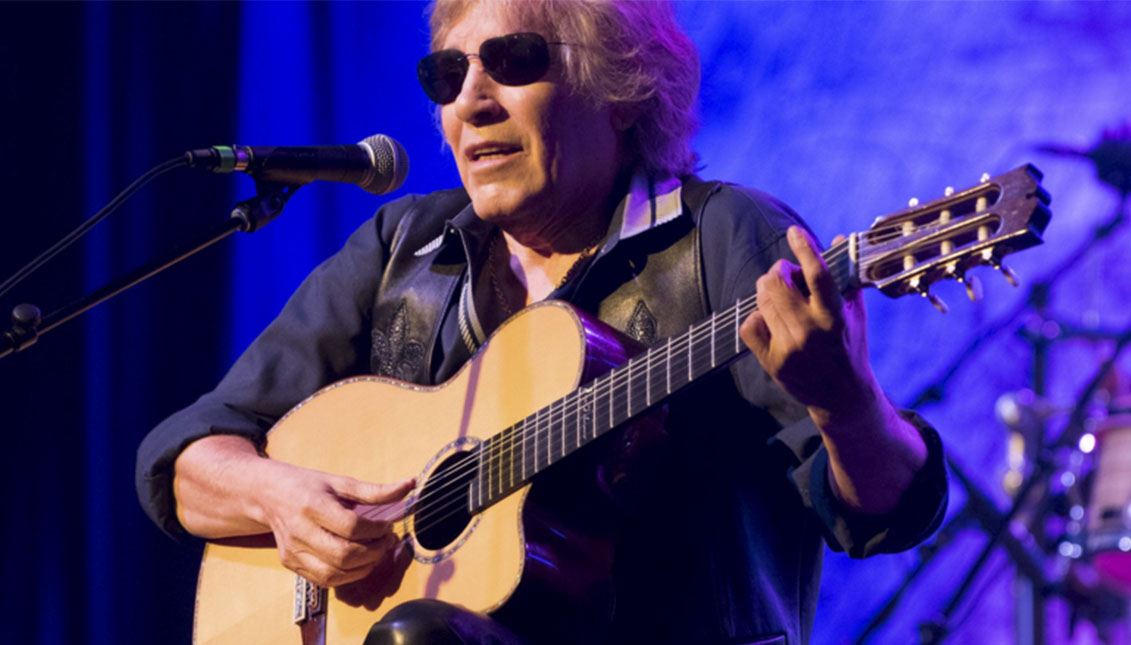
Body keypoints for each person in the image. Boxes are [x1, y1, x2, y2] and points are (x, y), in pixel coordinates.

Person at [136, 1, 947, 643]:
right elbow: (185, 460)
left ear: (621, 90)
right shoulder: (403, 247)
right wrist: (282, 499)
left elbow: (881, 514)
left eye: (514, 62)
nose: (472, 101)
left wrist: (844, 404)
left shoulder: (725, 239)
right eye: (447, 74)